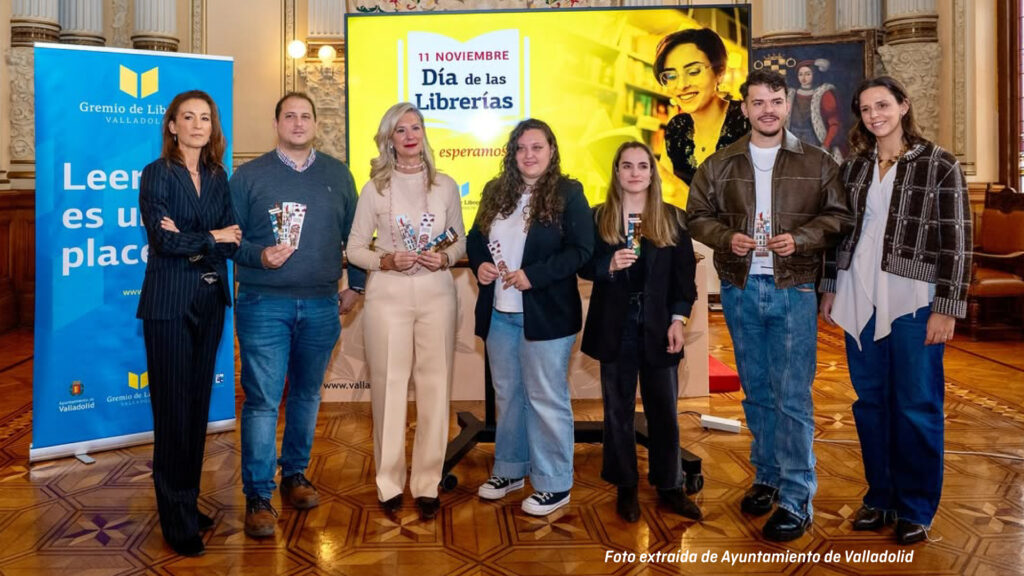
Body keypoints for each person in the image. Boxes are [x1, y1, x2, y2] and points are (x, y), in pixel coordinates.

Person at [686, 69, 852, 541]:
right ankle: (767, 476)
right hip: (740, 290)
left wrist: (799, 239)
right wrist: (725, 237)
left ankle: (798, 498)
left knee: (793, 397)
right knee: (757, 392)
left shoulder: (818, 162)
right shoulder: (718, 164)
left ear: (787, 104)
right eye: (757, 102)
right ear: (744, 108)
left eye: (775, 101)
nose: (768, 110)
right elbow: (697, 215)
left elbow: (839, 216)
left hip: (794, 290)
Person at [819, 76, 972, 545]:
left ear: (903, 106)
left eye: (882, 105)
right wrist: (829, 287)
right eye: (865, 109)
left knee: (917, 405)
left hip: (913, 300)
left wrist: (946, 307)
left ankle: (916, 507)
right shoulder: (855, 167)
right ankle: (880, 495)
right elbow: (837, 231)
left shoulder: (939, 163)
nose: (874, 115)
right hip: (857, 292)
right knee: (870, 404)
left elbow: (958, 240)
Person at [230, 92, 365, 538]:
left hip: (323, 303)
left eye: (306, 116)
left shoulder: (338, 175)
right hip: (262, 303)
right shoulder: (248, 176)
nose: (298, 122)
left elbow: (358, 237)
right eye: (289, 115)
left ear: (315, 125)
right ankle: (258, 494)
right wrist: (260, 256)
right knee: (264, 400)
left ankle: (295, 476)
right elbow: (230, 242)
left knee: (307, 396)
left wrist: (357, 286)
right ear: (276, 124)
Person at [467, 119, 594, 517]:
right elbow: (475, 238)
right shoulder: (495, 191)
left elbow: (581, 250)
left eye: (537, 147)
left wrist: (533, 276)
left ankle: (555, 483)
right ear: (512, 153)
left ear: (552, 151)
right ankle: (510, 470)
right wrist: (481, 265)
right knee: (509, 397)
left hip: (547, 315)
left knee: (545, 398)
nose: (529, 155)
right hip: (500, 315)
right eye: (521, 148)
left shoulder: (569, 193)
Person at [346, 102, 466, 520]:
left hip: (436, 293)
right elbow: (354, 248)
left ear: (424, 134)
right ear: (389, 139)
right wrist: (385, 260)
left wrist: (446, 259)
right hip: (389, 296)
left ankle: (428, 483)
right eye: (401, 130)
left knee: (436, 387)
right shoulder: (373, 188)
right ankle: (389, 482)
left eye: (416, 127)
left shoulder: (446, 185)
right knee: (389, 387)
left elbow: (460, 244)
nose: (410, 135)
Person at [137, 89, 240, 557]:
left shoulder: (219, 176)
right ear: (172, 126)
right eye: (188, 117)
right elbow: (162, 241)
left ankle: (186, 501)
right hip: (168, 305)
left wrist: (203, 238)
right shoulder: (156, 174)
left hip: (210, 300)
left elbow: (234, 240)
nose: (198, 124)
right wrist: (211, 237)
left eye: (205, 117)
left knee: (197, 411)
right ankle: (175, 520)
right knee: (173, 413)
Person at [579, 141, 701, 523]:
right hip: (614, 326)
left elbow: (685, 282)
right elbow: (583, 268)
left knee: (664, 410)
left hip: (659, 325)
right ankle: (625, 485)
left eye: (642, 166)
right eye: (627, 166)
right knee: (617, 411)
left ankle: (669, 485)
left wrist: (678, 320)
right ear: (616, 173)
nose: (635, 173)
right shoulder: (599, 218)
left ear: (652, 173)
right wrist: (608, 264)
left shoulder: (673, 219)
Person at [654, 27, 750, 203]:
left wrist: (688, 203)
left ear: (719, 72)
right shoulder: (676, 128)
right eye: (671, 75)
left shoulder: (749, 120)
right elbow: (665, 191)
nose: (681, 85)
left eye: (693, 71)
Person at [787, 59, 843, 162]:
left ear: (814, 74)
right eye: (800, 74)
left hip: (815, 142)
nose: (803, 78)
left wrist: (825, 145)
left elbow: (834, 124)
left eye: (808, 74)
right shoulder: (790, 95)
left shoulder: (823, 94)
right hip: (793, 143)